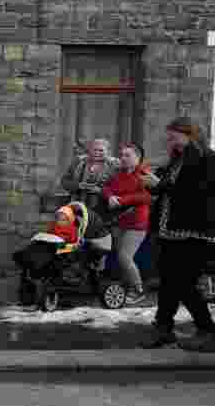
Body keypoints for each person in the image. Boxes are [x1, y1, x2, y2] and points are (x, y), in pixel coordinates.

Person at [140, 117, 215, 351]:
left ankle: (207, 330)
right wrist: (153, 184)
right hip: (168, 231)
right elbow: (168, 189)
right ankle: (163, 329)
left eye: (174, 136)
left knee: (183, 283)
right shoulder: (177, 160)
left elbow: (200, 195)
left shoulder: (208, 160)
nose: (170, 140)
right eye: (169, 136)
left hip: (194, 233)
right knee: (169, 282)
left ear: (190, 134)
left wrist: (161, 185)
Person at [101, 143, 152, 305]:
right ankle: (126, 287)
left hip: (137, 222)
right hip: (118, 221)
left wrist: (121, 200)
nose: (123, 158)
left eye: (127, 155)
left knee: (125, 256)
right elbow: (106, 187)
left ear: (137, 157)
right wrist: (109, 197)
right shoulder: (119, 173)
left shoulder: (145, 174)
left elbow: (146, 197)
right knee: (119, 256)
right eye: (122, 155)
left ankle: (138, 290)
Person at [60, 138, 119, 213]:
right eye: (95, 150)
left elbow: (119, 185)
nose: (97, 153)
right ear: (90, 150)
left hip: (103, 207)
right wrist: (78, 185)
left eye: (101, 150)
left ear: (108, 151)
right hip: (78, 205)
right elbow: (64, 181)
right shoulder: (79, 162)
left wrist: (100, 190)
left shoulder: (115, 165)